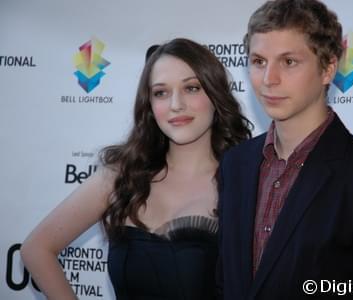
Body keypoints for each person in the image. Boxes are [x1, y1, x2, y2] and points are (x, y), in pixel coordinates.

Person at [21, 38, 252, 300]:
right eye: (161, 92)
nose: (176, 104)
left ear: (216, 94)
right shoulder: (122, 175)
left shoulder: (243, 184)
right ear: (150, 106)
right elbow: (36, 249)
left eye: (192, 88)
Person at [216, 0, 353, 299]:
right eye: (259, 61)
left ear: (328, 69)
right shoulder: (235, 164)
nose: (269, 79)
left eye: (288, 62)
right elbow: (225, 283)